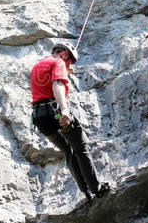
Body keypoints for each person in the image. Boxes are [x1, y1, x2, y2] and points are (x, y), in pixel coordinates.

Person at [30, 41, 110, 201]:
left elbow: (43, 86)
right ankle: (97, 188)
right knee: (80, 147)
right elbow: (57, 84)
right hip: (56, 114)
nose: (69, 65)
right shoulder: (59, 61)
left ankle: (85, 190)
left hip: (40, 118)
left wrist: (64, 69)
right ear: (65, 54)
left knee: (68, 150)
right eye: (69, 61)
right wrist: (64, 109)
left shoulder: (37, 66)